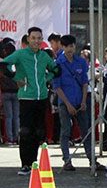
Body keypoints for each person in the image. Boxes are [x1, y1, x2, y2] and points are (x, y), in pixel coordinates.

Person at [1, 27, 61, 175]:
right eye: (33, 38)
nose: (36, 41)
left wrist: (46, 79)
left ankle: (34, 163)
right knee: (26, 131)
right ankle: (25, 165)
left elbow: (56, 69)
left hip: (41, 98)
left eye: (39, 38)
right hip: (26, 98)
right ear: (28, 39)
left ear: (42, 40)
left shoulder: (44, 56)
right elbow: (3, 65)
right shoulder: (20, 54)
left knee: (39, 132)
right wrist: (16, 78)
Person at [52, 34, 97, 170]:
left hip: (80, 102)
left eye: (72, 46)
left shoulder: (81, 62)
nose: (70, 49)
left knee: (86, 131)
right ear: (63, 47)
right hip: (65, 103)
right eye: (67, 47)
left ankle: (92, 160)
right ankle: (67, 160)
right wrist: (68, 105)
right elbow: (57, 87)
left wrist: (84, 101)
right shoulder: (58, 64)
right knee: (66, 131)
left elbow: (84, 83)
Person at [0, 41, 19, 145]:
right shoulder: (16, 63)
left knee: (9, 116)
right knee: (16, 116)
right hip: (16, 92)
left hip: (5, 92)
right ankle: (16, 137)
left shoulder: (3, 63)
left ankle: (9, 138)